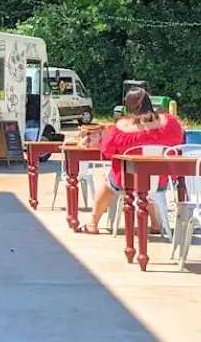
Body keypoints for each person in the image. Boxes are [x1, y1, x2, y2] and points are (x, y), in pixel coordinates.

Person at [78, 87, 185, 235]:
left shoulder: (121, 127)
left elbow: (107, 151)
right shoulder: (170, 123)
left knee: (107, 183)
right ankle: (155, 225)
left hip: (128, 181)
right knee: (149, 184)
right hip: (160, 181)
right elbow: (179, 142)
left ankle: (92, 224)